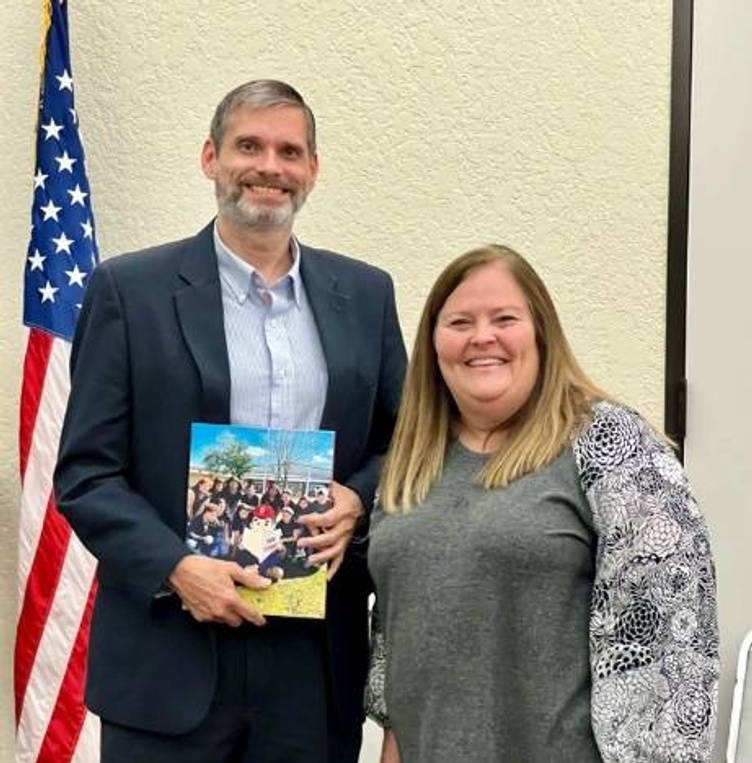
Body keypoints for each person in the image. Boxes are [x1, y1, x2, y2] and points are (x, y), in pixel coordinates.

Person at [54, 79, 406, 763]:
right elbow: (86, 472)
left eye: (289, 151)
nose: (269, 167)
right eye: (249, 145)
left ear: (312, 169)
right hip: (169, 652)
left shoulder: (365, 294)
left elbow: (407, 443)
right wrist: (176, 567)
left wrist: (360, 497)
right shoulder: (130, 292)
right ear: (210, 157)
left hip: (313, 659)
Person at [365, 244, 719, 763]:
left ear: (540, 333)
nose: (482, 337)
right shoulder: (411, 462)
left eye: (504, 318)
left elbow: (675, 642)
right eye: (460, 321)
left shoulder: (611, 445)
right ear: (435, 342)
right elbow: (399, 651)